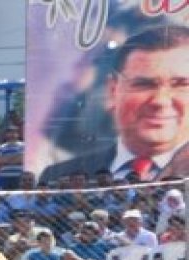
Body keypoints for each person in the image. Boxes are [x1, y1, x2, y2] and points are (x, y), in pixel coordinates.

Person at [41, 25, 189, 185]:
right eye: (143, 84)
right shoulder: (59, 175)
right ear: (112, 90)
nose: (160, 101)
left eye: (181, 84)